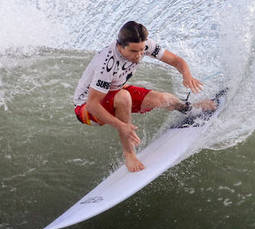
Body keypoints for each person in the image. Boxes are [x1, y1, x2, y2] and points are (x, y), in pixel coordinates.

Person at [73, 21, 211, 172]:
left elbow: (176, 61)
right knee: (124, 97)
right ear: (120, 46)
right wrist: (121, 125)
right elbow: (93, 104)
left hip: (115, 90)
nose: (139, 55)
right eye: (133, 51)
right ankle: (130, 155)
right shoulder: (107, 63)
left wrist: (187, 75)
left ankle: (191, 109)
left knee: (164, 99)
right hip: (86, 108)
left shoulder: (144, 45)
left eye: (141, 50)